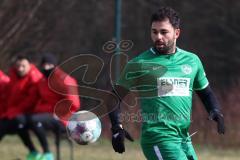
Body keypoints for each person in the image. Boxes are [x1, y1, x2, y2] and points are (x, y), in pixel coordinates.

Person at [108, 7, 225, 160]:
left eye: (164, 32)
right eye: (154, 31)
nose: (158, 37)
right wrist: (117, 127)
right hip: (158, 139)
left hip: (183, 139)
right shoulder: (139, 64)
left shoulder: (192, 61)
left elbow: (206, 92)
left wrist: (215, 110)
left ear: (177, 33)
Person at [27, 53, 80, 160]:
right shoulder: (42, 81)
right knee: (23, 120)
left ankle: (47, 154)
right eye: (44, 65)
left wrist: (57, 114)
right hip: (47, 115)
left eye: (49, 65)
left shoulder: (65, 79)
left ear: (54, 65)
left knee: (35, 121)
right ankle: (35, 153)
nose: (46, 68)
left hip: (63, 118)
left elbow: (73, 103)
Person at [0, 55, 43, 160]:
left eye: (23, 66)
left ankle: (43, 153)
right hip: (15, 113)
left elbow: (30, 101)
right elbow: (9, 100)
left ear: (29, 65)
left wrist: (12, 112)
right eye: (18, 66)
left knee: (9, 124)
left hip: (31, 113)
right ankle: (34, 152)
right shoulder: (14, 79)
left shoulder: (35, 79)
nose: (20, 69)